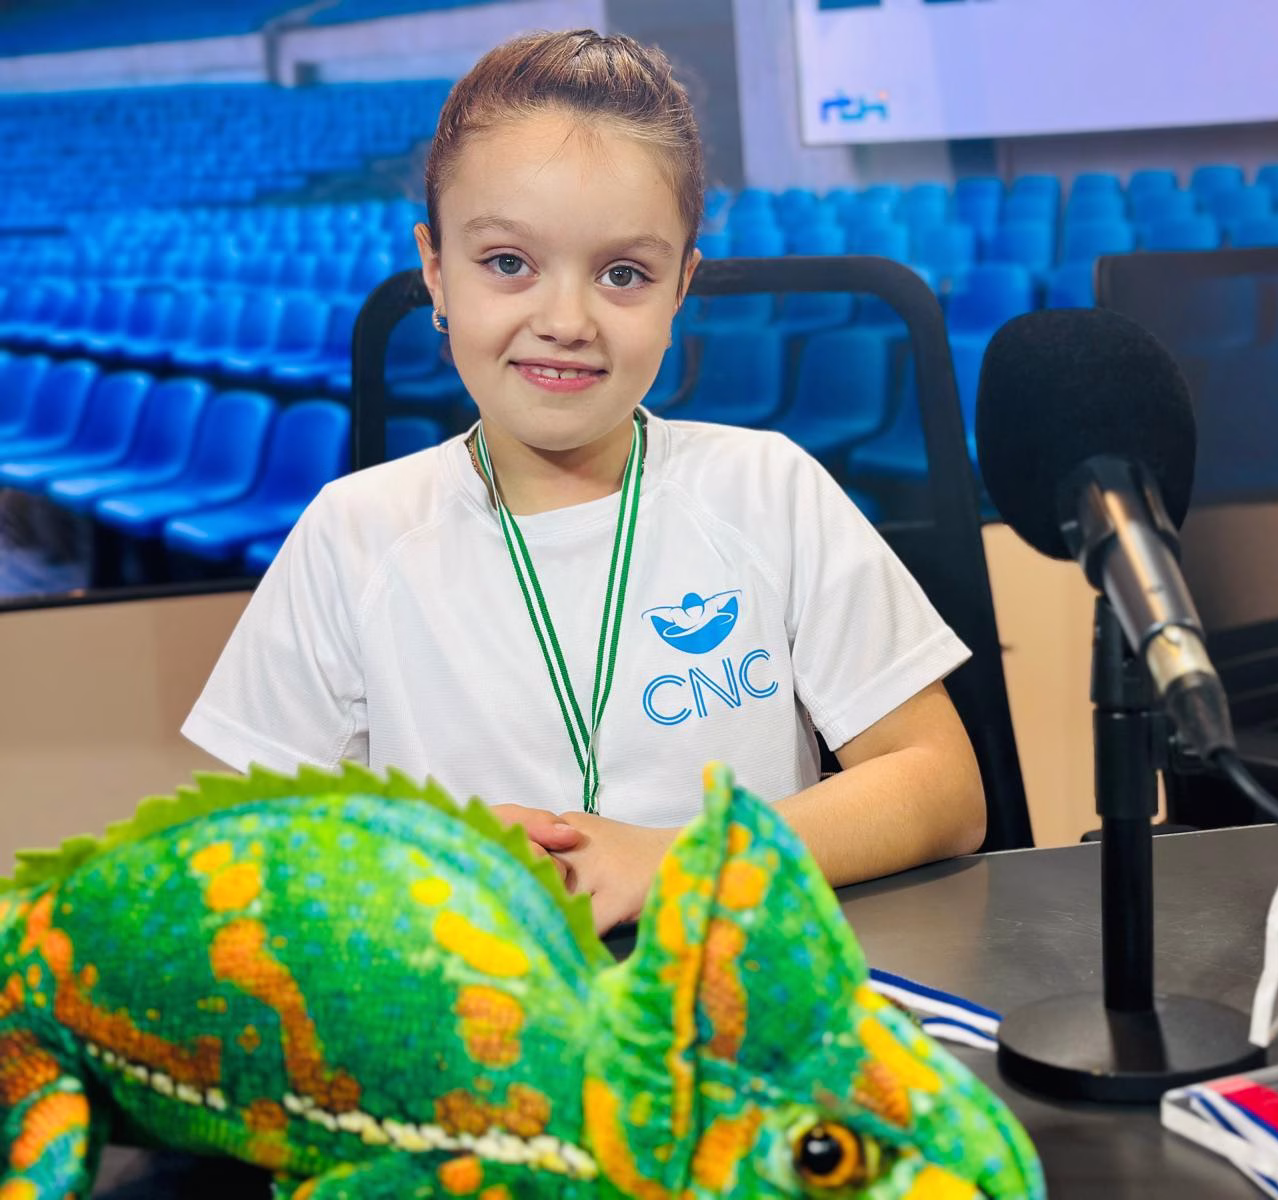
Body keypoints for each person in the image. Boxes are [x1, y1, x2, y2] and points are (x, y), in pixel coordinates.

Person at [182, 29, 985, 933]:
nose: (565, 319)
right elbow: (244, 850)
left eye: (623, 273)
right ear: (436, 271)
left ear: (681, 288)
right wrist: (429, 857)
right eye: (508, 263)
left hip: (743, 1006)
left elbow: (943, 788)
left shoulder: (769, 491)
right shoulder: (354, 534)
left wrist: (682, 858)